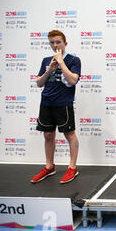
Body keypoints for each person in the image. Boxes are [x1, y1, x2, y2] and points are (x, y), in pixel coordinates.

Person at [31, 30, 81, 184]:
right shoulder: (46, 60)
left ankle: (72, 168)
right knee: (47, 135)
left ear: (65, 43)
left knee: (69, 135)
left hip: (63, 104)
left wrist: (61, 62)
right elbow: (39, 83)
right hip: (46, 103)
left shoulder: (74, 60)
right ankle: (49, 166)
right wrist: (49, 70)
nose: (55, 45)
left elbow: (73, 80)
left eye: (58, 42)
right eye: (52, 42)